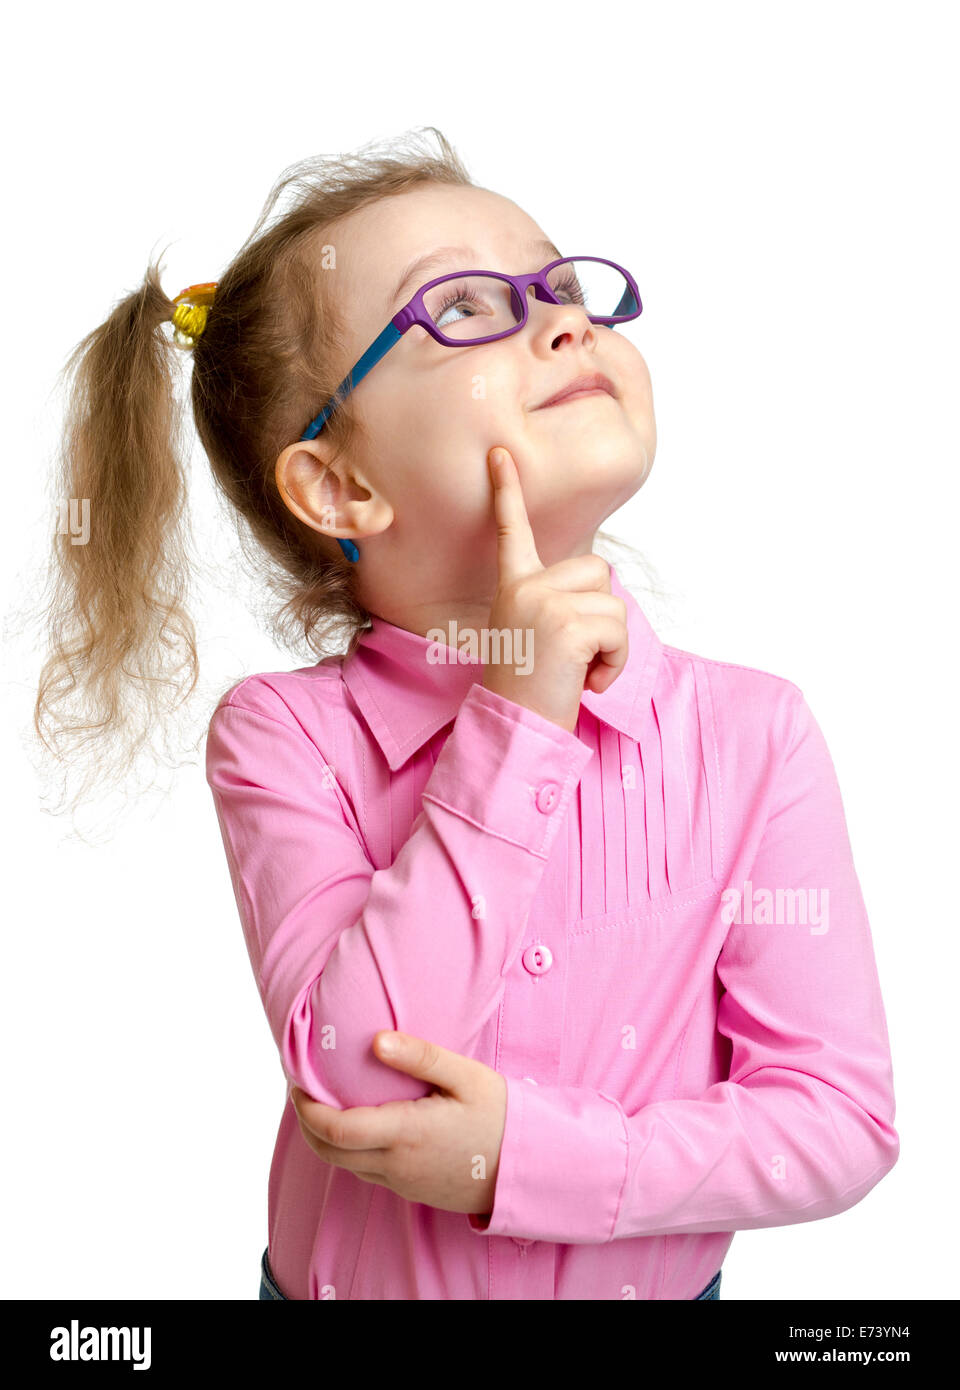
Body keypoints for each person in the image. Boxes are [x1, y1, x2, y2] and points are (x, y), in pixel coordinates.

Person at [34, 126, 899, 1301]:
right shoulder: (284, 739)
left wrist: (531, 1159)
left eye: (562, 284)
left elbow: (840, 1120)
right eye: (467, 306)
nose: (564, 318)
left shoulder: (757, 737)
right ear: (340, 483)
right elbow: (355, 1080)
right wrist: (521, 715)